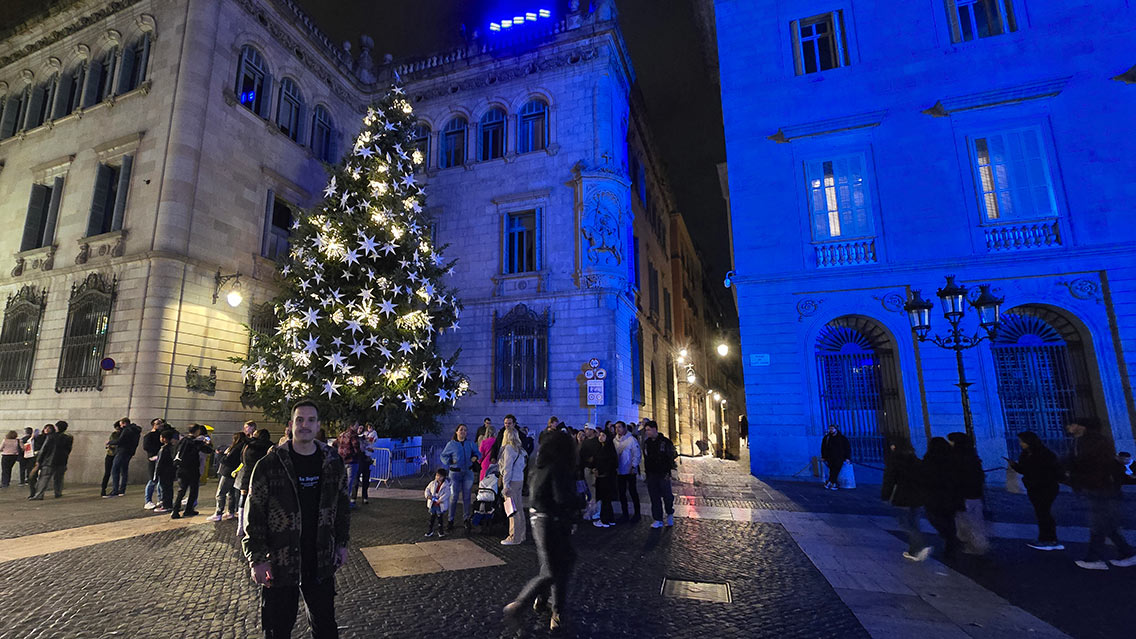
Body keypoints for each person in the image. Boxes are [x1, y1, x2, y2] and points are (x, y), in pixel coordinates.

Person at [243, 399, 350, 639]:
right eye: (300, 420)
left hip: (320, 558)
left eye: (311, 420)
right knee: (278, 628)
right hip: (281, 560)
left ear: (318, 425)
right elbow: (254, 514)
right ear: (291, 424)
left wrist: (342, 544)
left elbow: (342, 506)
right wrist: (256, 559)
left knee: (325, 625)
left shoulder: (332, 462)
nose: (305, 425)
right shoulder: (269, 465)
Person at [503, 428, 579, 631]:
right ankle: (522, 604)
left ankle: (545, 601)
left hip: (538, 518)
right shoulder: (558, 467)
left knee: (550, 564)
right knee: (558, 568)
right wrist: (581, 503)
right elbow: (563, 498)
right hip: (552, 520)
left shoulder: (539, 465)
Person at [1065, 417, 1136, 570]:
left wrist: (1071, 473)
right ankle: (1127, 553)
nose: (1068, 426)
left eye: (1071, 423)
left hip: (1100, 487)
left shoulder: (1089, 442)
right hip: (1098, 486)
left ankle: (1094, 559)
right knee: (1106, 524)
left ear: (1081, 426)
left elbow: (1087, 463)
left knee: (1098, 524)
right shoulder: (1086, 441)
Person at [1008, 432, 1064, 551]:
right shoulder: (1026, 454)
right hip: (1034, 487)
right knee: (1041, 513)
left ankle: (1048, 539)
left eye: (1022, 441)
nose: (1021, 444)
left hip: (1046, 487)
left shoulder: (1044, 454)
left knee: (1044, 513)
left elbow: (1053, 470)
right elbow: (1024, 470)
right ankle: (1046, 538)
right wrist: (1014, 466)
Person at [881, 438, 931, 561]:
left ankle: (919, 547)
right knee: (914, 521)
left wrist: (885, 495)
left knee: (905, 523)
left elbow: (889, 480)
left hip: (903, 496)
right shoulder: (915, 459)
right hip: (918, 496)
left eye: (893, 446)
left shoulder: (895, 461)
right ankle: (914, 549)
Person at [947, 432, 988, 555]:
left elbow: (955, 477)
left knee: (968, 520)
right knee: (973, 520)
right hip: (974, 493)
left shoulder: (957, 458)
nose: (949, 443)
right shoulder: (972, 456)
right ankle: (976, 544)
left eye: (951, 441)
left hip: (963, 494)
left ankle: (977, 546)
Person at [922, 437, 963, 558]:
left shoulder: (929, 459)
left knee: (934, 518)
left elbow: (924, 476)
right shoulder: (953, 459)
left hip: (935, 494)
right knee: (948, 519)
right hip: (950, 495)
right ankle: (951, 541)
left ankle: (950, 539)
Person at [440, 423, 479, 533]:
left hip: (468, 472)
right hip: (455, 473)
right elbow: (443, 456)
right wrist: (450, 461)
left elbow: (478, 453)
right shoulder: (451, 444)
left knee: (467, 497)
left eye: (465, 430)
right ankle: (450, 519)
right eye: (461, 430)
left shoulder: (470, 443)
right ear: (456, 432)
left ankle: (466, 519)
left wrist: (475, 457)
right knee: (454, 497)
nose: (463, 432)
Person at [237, 428, 273, 537]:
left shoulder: (252, 445)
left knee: (245, 498)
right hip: (258, 475)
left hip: (249, 474)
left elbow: (243, 458)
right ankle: (248, 525)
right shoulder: (267, 445)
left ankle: (241, 526)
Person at [171, 424, 213, 518]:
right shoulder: (195, 442)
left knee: (181, 490)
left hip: (181, 469)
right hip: (192, 469)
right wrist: (208, 442)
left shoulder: (182, 441)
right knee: (193, 490)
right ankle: (188, 509)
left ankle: (175, 510)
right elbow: (208, 450)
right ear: (197, 431)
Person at [641, 420, 677, 529]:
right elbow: (646, 458)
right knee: (654, 497)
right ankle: (658, 519)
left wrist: (669, 471)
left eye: (648, 430)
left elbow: (671, 456)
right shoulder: (647, 443)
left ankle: (669, 513)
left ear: (654, 429)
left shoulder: (665, 442)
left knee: (667, 496)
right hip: (652, 474)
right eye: (646, 430)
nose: (647, 432)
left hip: (663, 473)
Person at [209, 431, 249, 521]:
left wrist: (222, 455)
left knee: (221, 493)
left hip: (227, 472)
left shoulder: (235, 448)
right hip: (234, 473)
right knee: (231, 493)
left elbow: (227, 460)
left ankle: (219, 512)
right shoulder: (243, 447)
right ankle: (231, 511)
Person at [499, 425, 528, 545]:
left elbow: (507, 468)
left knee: (511, 510)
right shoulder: (521, 449)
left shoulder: (509, 449)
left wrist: (505, 485)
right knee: (519, 508)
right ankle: (521, 534)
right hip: (519, 480)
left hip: (511, 481)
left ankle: (513, 537)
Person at [29, 421, 72, 500]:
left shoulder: (51, 436)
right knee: (59, 478)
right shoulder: (69, 437)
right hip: (62, 461)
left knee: (44, 478)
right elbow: (69, 450)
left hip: (49, 461)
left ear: (57, 427)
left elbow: (44, 449)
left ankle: (39, 495)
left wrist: (38, 460)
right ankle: (58, 493)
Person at [613, 421, 641, 523]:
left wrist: (634, 466)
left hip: (629, 471)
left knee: (633, 492)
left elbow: (636, 453)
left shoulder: (631, 440)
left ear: (625, 428)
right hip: (619, 471)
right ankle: (625, 514)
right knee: (622, 493)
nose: (618, 429)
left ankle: (637, 513)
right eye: (616, 428)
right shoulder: (614, 441)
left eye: (619, 427)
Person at [592, 428, 618, 528]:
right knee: (606, 500)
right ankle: (610, 519)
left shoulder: (608, 449)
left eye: (603, 435)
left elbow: (610, 463)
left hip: (606, 477)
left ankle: (604, 520)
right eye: (600, 435)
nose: (600, 437)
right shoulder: (602, 447)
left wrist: (600, 471)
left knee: (605, 499)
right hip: (604, 477)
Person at [110, 417, 142, 497]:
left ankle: (115, 490)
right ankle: (122, 490)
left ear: (124, 423)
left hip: (122, 451)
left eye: (121, 425)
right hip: (130, 452)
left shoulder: (126, 430)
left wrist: (110, 442)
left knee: (115, 469)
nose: (120, 427)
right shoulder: (136, 430)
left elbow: (120, 440)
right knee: (124, 470)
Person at [152, 428, 178, 514]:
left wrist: (156, 474)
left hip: (164, 472)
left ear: (164, 438)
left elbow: (159, 463)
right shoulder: (173, 448)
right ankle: (168, 504)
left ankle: (166, 505)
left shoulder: (163, 449)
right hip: (170, 471)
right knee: (169, 488)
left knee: (164, 489)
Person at [578, 423, 601, 521]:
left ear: (592, 430)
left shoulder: (597, 442)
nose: (586, 431)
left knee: (595, 491)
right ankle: (591, 510)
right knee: (589, 492)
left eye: (587, 429)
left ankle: (597, 511)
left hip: (594, 469)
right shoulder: (585, 442)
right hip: (586, 469)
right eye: (585, 429)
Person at [336, 424, 361, 509]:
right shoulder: (353, 435)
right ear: (353, 425)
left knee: (343, 482)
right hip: (352, 461)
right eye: (357, 425)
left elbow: (335, 443)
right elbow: (356, 448)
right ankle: (345, 502)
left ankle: (340, 501)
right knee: (349, 483)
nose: (358, 427)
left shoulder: (342, 434)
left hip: (342, 460)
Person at [142, 418, 165, 509]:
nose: (161, 425)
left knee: (161, 480)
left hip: (161, 459)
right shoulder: (149, 436)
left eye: (162, 423)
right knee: (152, 480)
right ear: (153, 425)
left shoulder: (162, 435)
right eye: (158, 423)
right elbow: (146, 447)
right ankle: (148, 501)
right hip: (153, 459)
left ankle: (160, 499)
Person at [26, 423, 54, 498]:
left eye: (49, 428)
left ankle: (38, 493)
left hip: (45, 459)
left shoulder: (52, 438)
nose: (47, 430)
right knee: (32, 476)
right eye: (46, 428)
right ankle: (33, 492)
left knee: (43, 477)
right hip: (36, 458)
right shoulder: (39, 437)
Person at [820, 424, 851, 490]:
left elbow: (847, 448)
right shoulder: (827, 438)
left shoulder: (842, 438)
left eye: (832, 429)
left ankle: (832, 482)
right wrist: (823, 456)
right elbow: (823, 448)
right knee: (832, 470)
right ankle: (832, 482)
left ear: (836, 429)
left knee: (836, 470)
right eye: (830, 428)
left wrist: (847, 457)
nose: (831, 430)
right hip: (830, 457)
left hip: (839, 457)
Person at [424, 468, 452, 538]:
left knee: (440, 518)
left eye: (440, 476)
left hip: (440, 504)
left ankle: (440, 531)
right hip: (433, 503)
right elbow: (427, 489)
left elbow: (447, 493)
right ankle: (430, 531)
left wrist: (441, 499)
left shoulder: (446, 485)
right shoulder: (432, 483)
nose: (438, 477)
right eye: (437, 475)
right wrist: (428, 496)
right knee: (432, 518)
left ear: (443, 477)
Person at [355, 423, 377, 504]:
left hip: (366, 458)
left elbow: (372, 440)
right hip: (359, 458)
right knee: (356, 478)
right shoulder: (357, 436)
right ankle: (353, 497)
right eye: (359, 428)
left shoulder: (371, 434)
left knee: (366, 478)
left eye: (362, 428)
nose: (361, 429)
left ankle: (365, 497)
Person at [100, 421, 123, 497]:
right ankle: (103, 488)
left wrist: (111, 444)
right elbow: (110, 444)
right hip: (111, 455)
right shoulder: (114, 434)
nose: (117, 430)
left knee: (116, 472)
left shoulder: (122, 435)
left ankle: (115, 488)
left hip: (116, 455)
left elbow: (112, 443)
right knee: (108, 473)